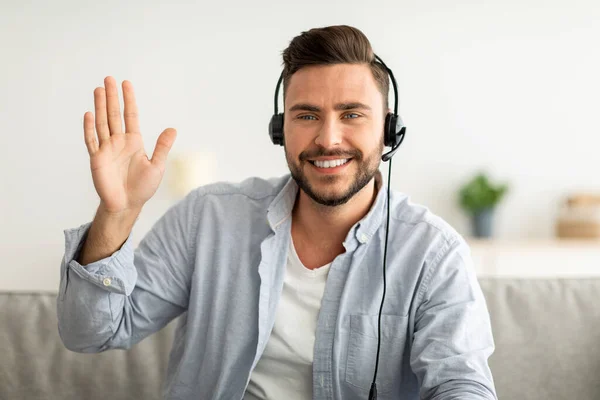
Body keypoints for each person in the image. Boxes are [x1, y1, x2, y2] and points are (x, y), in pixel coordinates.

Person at [57, 25, 497, 400]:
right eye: (306, 115)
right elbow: (91, 333)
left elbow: (461, 383)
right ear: (279, 129)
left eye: (352, 114)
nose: (328, 139)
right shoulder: (207, 218)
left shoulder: (432, 253)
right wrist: (119, 212)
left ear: (388, 131)